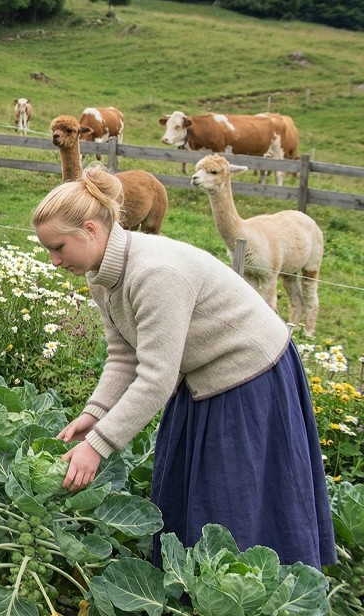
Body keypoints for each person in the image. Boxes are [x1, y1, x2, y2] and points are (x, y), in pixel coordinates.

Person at [32, 164, 335, 568]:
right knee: (185, 492)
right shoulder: (101, 272)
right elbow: (124, 353)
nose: (53, 261)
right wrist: (95, 413)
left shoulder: (155, 273)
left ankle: (256, 595)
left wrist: (98, 446)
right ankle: (190, 590)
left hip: (249, 375)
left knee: (233, 500)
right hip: (200, 375)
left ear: (90, 230)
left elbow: (156, 377)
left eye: (58, 248)